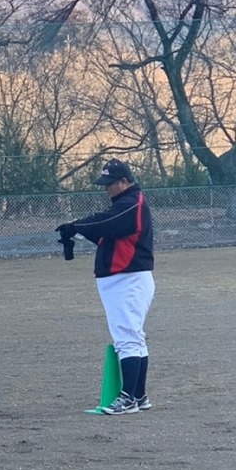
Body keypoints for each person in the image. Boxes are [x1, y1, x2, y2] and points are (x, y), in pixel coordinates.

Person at [57, 158, 155, 415]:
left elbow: (107, 222)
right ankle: (138, 395)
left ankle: (128, 399)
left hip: (128, 279)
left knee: (127, 337)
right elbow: (105, 230)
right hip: (124, 279)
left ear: (124, 181)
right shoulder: (126, 204)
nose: (106, 188)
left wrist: (76, 226)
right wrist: (77, 229)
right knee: (133, 336)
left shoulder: (132, 203)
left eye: (110, 183)